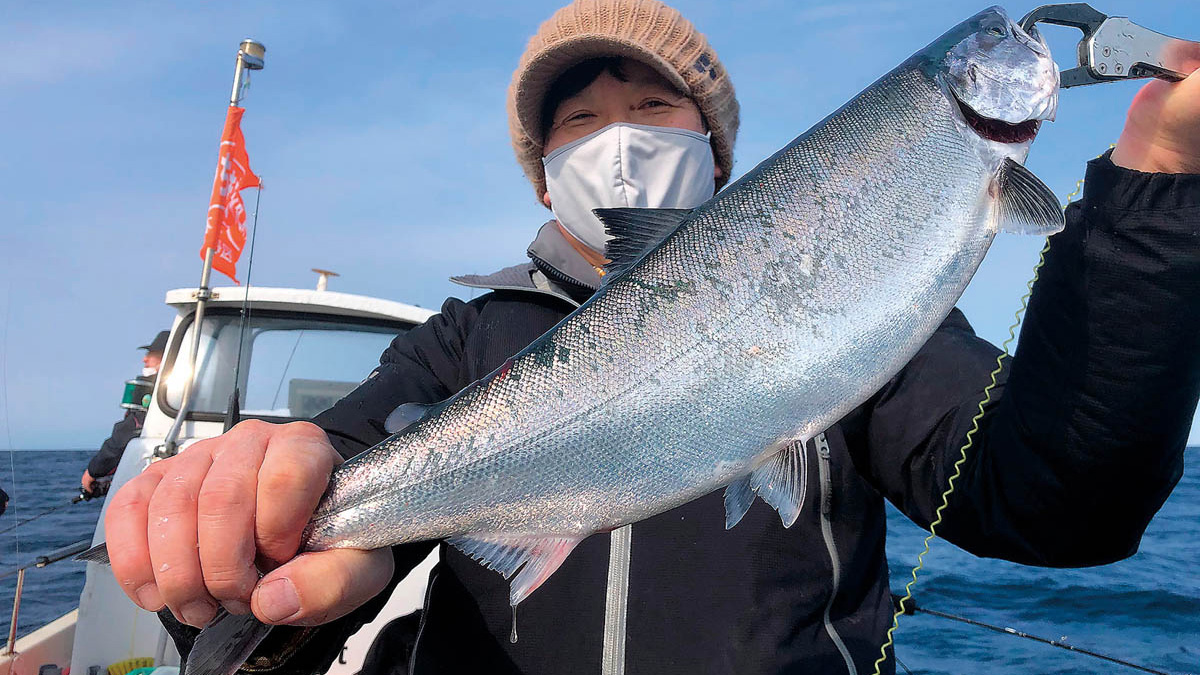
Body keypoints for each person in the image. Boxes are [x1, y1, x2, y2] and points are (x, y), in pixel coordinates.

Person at [103, 2, 1200, 674]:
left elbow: (1062, 500)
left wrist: (1155, 203)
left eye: (655, 106)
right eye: (579, 121)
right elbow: (347, 474)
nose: (617, 137)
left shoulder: (863, 315)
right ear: (543, 168)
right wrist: (272, 516)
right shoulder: (468, 339)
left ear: (720, 155)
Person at [81, 330, 169, 498]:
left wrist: (94, 471)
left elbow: (128, 431)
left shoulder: (153, 391)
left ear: (167, 356)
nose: (145, 359)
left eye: (151, 354)